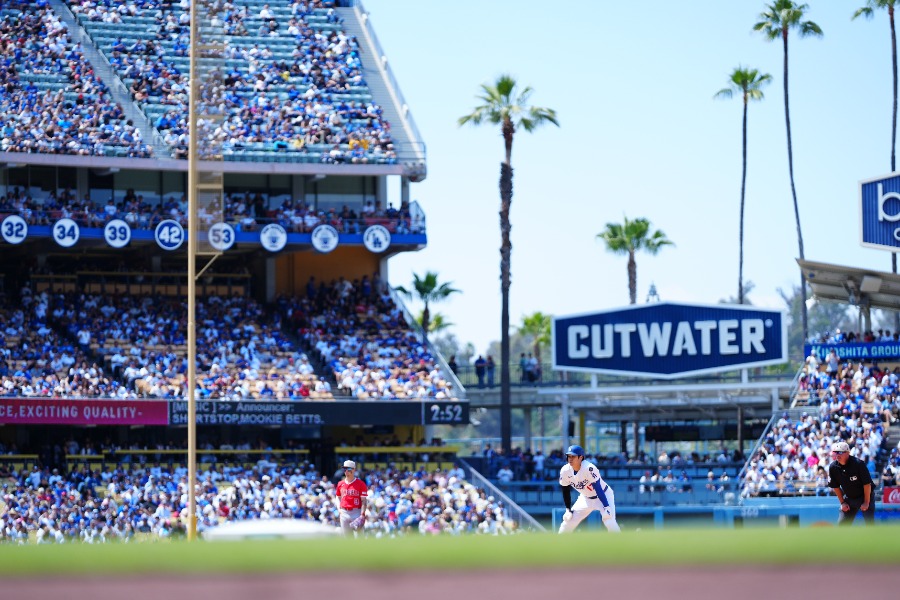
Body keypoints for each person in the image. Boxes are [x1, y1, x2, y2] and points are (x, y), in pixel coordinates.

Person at [558, 445, 620, 533]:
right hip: (585, 498)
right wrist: (568, 509)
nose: (570, 459)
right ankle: (559, 544)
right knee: (568, 522)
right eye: (569, 456)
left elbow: (598, 488)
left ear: (581, 457)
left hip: (603, 495)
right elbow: (565, 490)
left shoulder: (589, 468)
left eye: (573, 456)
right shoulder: (565, 471)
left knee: (609, 521)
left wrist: (606, 506)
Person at [827, 441, 875, 526]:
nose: (837, 454)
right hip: (849, 498)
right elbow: (835, 486)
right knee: (842, 526)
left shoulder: (858, 464)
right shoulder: (833, 467)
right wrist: (842, 502)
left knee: (870, 524)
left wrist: (866, 502)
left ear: (848, 453)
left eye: (840, 452)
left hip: (865, 496)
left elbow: (867, 484)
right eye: (836, 452)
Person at [335, 460, 369, 535]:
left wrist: (362, 514)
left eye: (348, 469)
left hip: (356, 512)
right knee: (347, 539)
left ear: (354, 470)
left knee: (359, 538)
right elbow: (338, 497)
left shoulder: (361, 484)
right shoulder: (340, 483)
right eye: (344, 469)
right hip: (344, 512)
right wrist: (339, 509)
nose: (346, 471)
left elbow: (363, 501)